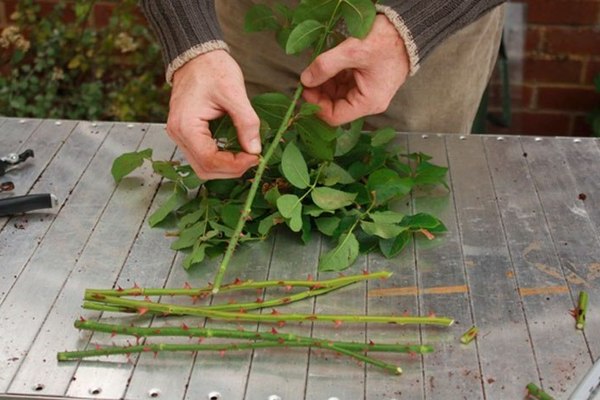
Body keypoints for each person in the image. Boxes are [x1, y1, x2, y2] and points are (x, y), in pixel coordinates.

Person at [140, 0, 506, 180]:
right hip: (263, 19)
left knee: (407, 193)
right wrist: (190, 41)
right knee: (249, 174)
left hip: (428, 24)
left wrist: (415, 28)